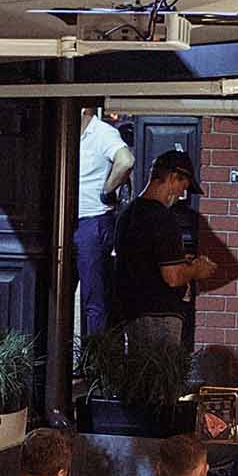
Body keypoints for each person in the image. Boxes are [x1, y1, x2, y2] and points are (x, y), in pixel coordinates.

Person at [108, 151, 219, 345]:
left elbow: (143, 262)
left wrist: (181, 263)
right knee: (161, 364)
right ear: (173, 178)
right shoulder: (162, 217)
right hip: (159, 314)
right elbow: (173, 277)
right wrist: (197, 269)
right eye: (183, 187)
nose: (181, 195)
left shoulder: (127, 214)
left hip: (132, 312)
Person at [75, 104, 133, 334]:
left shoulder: (103, 132)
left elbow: (126, 160)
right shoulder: (68, 134)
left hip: (92, 221)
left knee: (94, 299)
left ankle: (95, 353)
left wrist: (107, 190)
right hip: (69, 221)